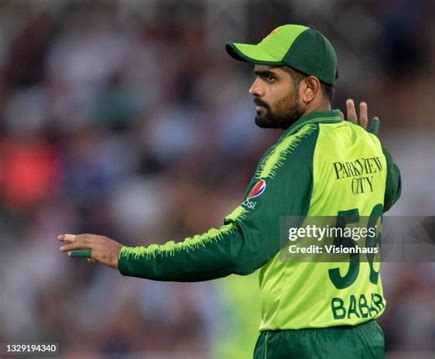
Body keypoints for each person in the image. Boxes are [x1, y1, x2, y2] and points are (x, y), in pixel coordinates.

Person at [59, 24, 401, 358]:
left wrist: (125, 257)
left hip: (301, 344)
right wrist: (368, 146)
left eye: (270, 78)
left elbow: (240, 248)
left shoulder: (295, 151)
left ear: (309, 88)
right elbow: (390, 191)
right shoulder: (364, 142)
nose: (254, 88)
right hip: (364, 340)